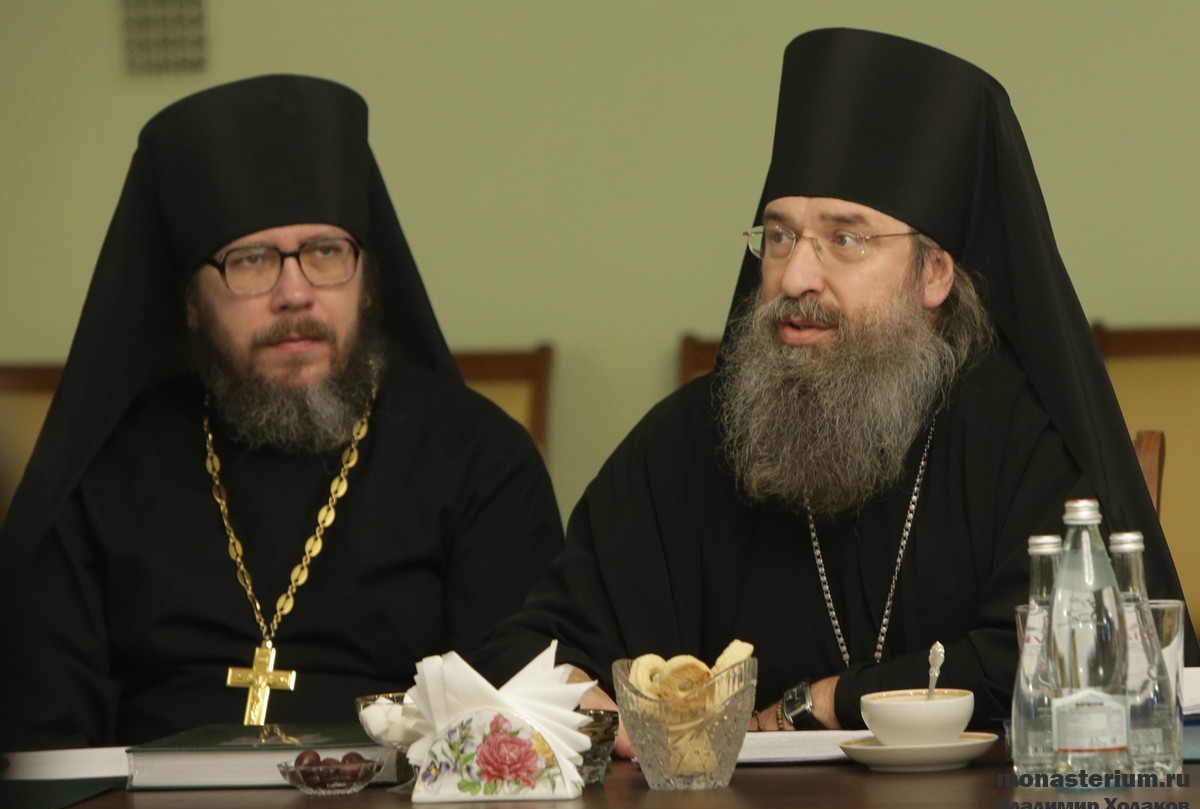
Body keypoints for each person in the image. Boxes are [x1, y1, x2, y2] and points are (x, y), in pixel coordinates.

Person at [471, 28, 1196, 751]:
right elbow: (526, 650)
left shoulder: (1021, 436)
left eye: (845, 239)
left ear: (934, 273)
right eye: (780, 236)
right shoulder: (693, 438)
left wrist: (827, 700)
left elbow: (1078, 663)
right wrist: (603, 716)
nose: (795, 277)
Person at [0, 75, 564, 752]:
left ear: (367, 279)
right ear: (190, 301)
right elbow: (45, 743)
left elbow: (514, 732)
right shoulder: (104, 473)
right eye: (250, 260)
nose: (295, 293)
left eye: (326, 252)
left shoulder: (480, 458)